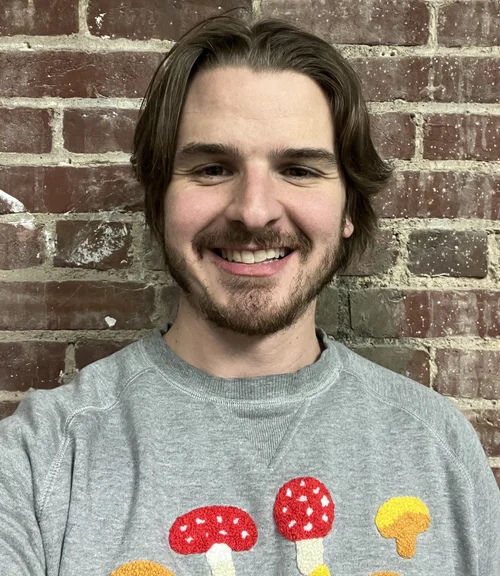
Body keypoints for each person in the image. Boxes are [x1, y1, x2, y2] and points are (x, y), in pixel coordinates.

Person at [1, 10, 499, 576]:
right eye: (213, 168)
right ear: (159, 203)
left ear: (348, 210)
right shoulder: (43, 462)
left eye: (300, 170)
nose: (255, 211)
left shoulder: (439, 451)